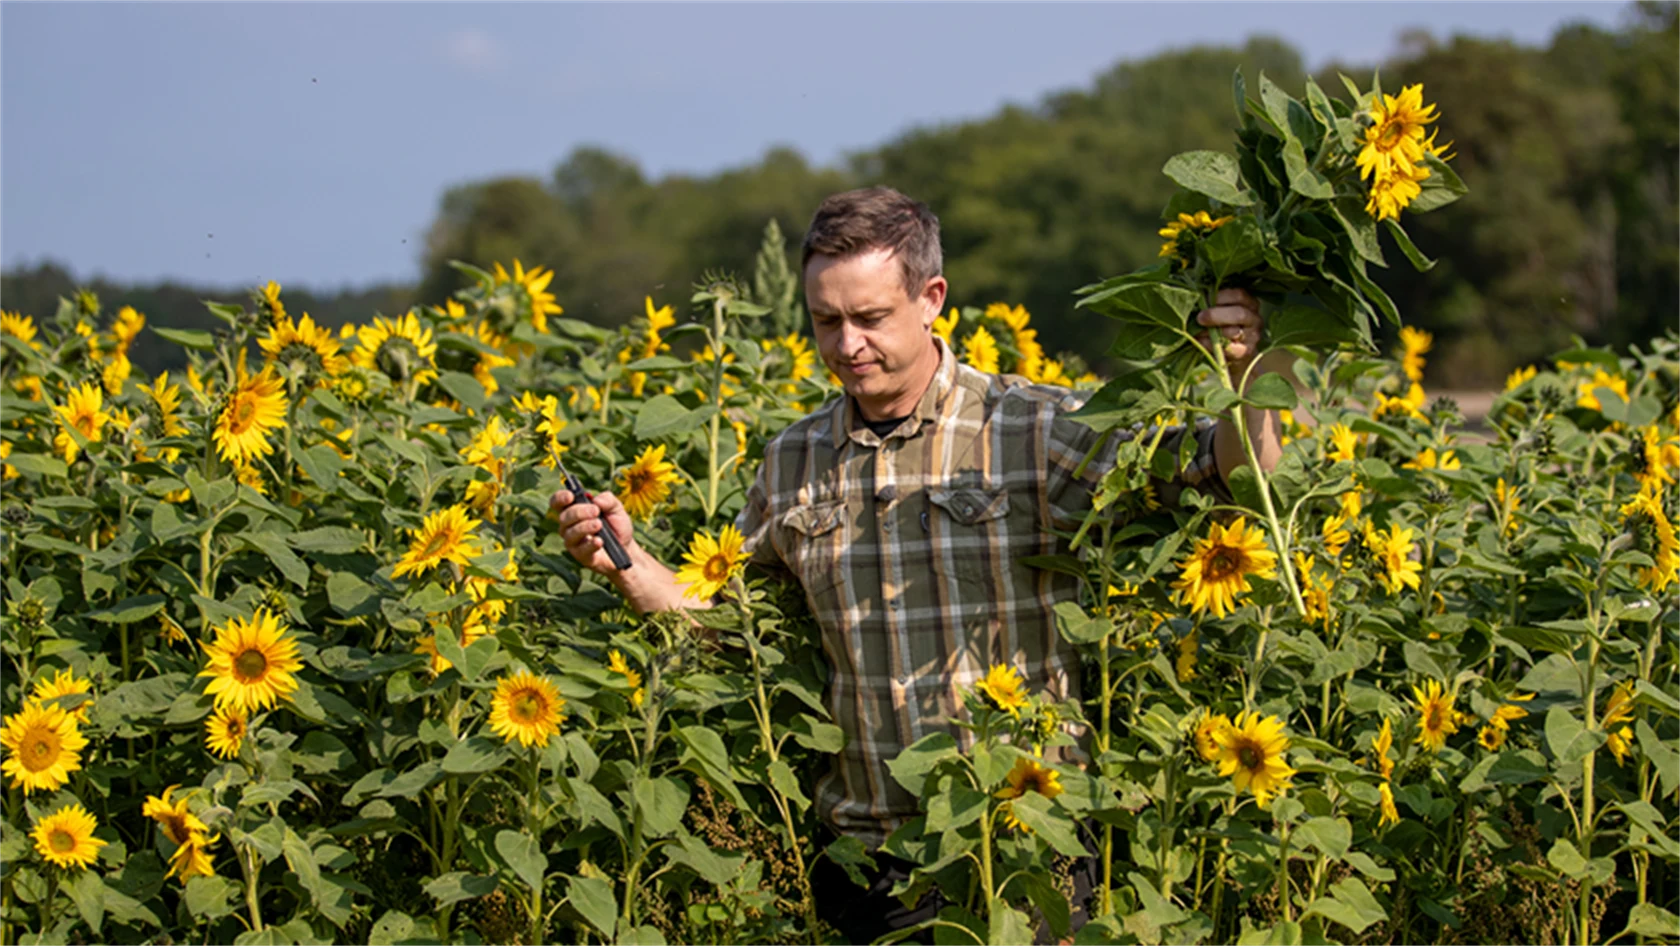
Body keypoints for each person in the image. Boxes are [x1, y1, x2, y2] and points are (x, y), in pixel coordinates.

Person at [551, 186, 1281, 943]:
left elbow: (1225, 474)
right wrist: (631, 563)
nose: (846, 345)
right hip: (864, 861)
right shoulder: (793, 461)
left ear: (931, 299)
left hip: (1019, 850)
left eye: (869, 318)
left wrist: (1248, 376)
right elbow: (741, 633)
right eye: (825, 321)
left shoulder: (1032, 428)